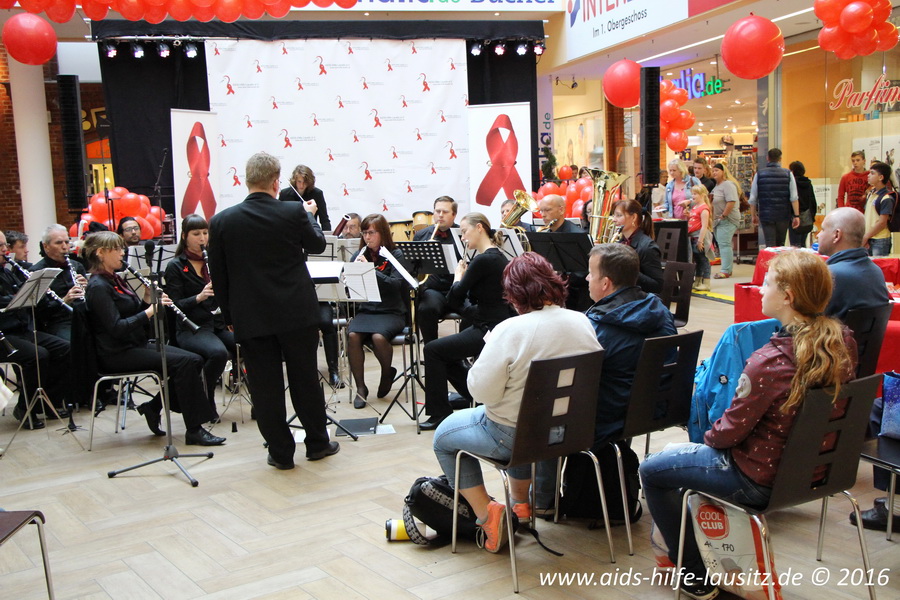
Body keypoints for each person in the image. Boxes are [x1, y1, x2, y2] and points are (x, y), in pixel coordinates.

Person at [639, 250, 857, 600]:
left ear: (788, 297)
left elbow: (725, 436)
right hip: (818, 473)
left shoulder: (769, 362)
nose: (761, 290)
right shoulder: (842, 342)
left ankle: (694, 573)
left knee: (651, 469)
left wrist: (704, 435)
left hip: (759, 481)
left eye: (767, 284)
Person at [432, 252, 602, 553]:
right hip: (566, 433)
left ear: (513, 293)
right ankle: (520, 505)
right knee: (520, 417)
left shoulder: (509, 330)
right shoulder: (582, 321)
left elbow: (482, 393)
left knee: (443, 437)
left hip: (516, 437)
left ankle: (488, 516)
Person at [208, 152, 337, 469]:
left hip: (252, 316)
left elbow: (219, 276)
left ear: (245, 180)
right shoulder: (293, 212)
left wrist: (229, 317)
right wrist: (309, 216)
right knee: (305, 378)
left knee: (265, 387)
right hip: (297, 312)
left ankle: (281, 453)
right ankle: (317, 444)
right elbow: (318, 245)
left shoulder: (222, 221)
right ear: (277, 181)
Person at [534, 243, 676, 516]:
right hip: (651, 410)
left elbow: (569, 378)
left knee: (545, 413)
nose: (587, 278)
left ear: (606, 283)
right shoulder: (658, 310)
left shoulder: (597, 327)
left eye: (591, 273)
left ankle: (543, 500)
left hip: (609, 417)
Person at [83, 231, 225, 446]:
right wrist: (150, 311)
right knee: (184, 362)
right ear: (101, 253)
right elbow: (116, 328)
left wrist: (147, 300)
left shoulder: (113, 279)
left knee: (195, 360)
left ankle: (153, 407)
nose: (123, 253)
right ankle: (194, 430)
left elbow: (131, 315)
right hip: (116, 353)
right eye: (117, 249)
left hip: (133, 345)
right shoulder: (98, 287)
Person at [420, 213, 513, 431]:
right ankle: (474, 397)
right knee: (444, 353)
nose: (462, 237)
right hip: (491, 324)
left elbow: (454, 299)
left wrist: (457, 277)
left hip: (489, 329)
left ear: (479, 228)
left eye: (464, 231)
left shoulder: (483, 260)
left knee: (433, 350)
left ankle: (440, 413)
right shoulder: (495, 256)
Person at [164, 214, 236, 420]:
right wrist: (199, 297)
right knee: (218, 353)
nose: (202, 238)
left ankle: (258, 402)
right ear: (185, 236)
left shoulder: (213, 261)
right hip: (191, 327)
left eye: (205, 233)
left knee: (248, 343)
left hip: (217, 324)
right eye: (196, 234)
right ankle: (206, 397)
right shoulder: (176, 266)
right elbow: (174, 305)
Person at [0, 231, 70, 428]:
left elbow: (22, 295)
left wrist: (34, 289)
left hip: (21, 330)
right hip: (4, 335)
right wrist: (18, 297)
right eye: (0, 247)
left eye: (5, 245)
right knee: (37, 356)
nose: (5, 250)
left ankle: (49, 401)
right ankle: (25, 407)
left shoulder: (6, 271)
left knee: (64, 348)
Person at [346, 214, 411, 409]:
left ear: (382, 233)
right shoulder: (358, 256)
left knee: (378, 338)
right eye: (364, 233)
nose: (367, 237)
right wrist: (351, 276)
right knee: (353, 335)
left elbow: (396, 285)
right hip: (368, 310)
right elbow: (352, 291)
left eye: (371, 233)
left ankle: (386, 373)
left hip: (391, 310)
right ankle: (360, 388)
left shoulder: (395, 255)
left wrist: (370, 271)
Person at [817, 207, 891, 321]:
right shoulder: (876, 271)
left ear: (836, 235)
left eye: (822, 229)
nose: (818, 235)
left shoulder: (829, 275)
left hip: (833, 333)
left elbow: (804, 320)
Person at [414, 196, 460, 345]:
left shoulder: (462, 234)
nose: (440, 215)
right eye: (437, 211)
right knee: (425, 309)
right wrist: (425, 253)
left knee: (474, 309)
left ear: (454, 215)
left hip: (459, 288)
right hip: (434, 290)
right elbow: (413, 267)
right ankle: (431, 350)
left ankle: (465, 351)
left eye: (445, 212)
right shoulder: (421, 236)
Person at [30, 224, 88, 340]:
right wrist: (65, 300)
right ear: (46, 246)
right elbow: (40, 312)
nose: (65, 247)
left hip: (82, 315)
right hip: (58, 322)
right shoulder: (37, 272)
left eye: (67, 242)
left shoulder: (77, 266)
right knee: (75, 342)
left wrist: (87, 288)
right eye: (58, 243)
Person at [749, 148, 800, 248]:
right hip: (783, 215)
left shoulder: (759, 174)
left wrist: (753, 215)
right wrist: (796, 216)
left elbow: (753, 198)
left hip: (766, 214)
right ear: (780, 159)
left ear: (767, 158)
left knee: (770, 244)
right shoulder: (788, 174)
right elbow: (794, 197)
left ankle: (771, 258)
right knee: (781, 243)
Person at [611, 199, 663, 294]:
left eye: (619, 215)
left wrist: (628, 270)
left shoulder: (647, 247)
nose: (614, 219)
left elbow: (657, 286)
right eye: (613, 215)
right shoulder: (621, 242)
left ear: (634, 217)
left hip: (638, 298)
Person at [710, 162, 742, 280]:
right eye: (713, 170)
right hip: (718, 220)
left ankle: (725, 270)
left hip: (728, 219)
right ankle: (727, 268)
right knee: (722, 243)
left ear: (723, 171)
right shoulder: (716, 186)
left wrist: (724, 215)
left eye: (717, 170)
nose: (714, 172)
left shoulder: (728, 185)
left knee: (724, 244)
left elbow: (731, 201)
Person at [278, 164, 332, 230]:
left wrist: (327, 236)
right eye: (299, 181)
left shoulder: (317, 194)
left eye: (305, 182)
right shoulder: (284, 194)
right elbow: (279, 218)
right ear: (294, 180)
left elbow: (324, 220)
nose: (302, 185)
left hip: (310, 231)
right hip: (289, 232)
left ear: (309, 182)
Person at [862, 161, 895, 257]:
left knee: (879, 264)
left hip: (880, 240)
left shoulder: (886, 198)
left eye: (872, 173)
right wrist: (867, 236)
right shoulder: (870, 194)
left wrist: (867, 236)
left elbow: (882, 223)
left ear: (881, 177)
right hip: (870, 237)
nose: (868, 175)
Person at [688, 185, 713, 291]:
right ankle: (697, 280)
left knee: (704, 259)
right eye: (692, 194)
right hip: (693, 236)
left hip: (699, 237)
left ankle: (706, 282)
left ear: (702, 195)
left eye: (695, 194)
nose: (693, 196)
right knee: (698, 260)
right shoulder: (695, 207)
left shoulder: (704, 209)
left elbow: (704, 226)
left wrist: (700, 241)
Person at [788, 161, 817, 247]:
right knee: (803, 243)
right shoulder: (808, 184)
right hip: (806, 218)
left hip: (794, 217)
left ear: (793, 171)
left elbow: (792, 200)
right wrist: (812, 217)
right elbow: (813, 202)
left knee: (794, 245)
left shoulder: (792, 184)